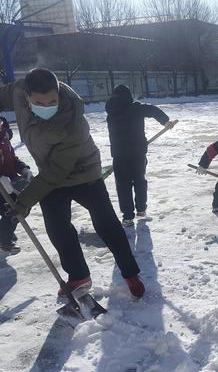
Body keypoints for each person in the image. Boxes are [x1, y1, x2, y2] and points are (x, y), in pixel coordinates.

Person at [0, 68, 145, 298]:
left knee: (106, 223)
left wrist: (23, 201)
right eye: (39, 102)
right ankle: (78, 276)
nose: (47, 107)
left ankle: (130, 273)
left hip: (83, 173)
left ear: (58, 93)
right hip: (50, 173)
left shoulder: (72, 123)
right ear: (27, 96)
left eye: (52, 102)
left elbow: (55, 174)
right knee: (57, 227)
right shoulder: (19, 91)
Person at [106, 84, 174, 226]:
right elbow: (152, 109)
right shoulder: (136, 108)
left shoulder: (110, 111)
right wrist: (165, 120)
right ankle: (141, 210)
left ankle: (127, 217)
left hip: (119, 154)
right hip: (137, 153)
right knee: (139, 181)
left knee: (123, 185)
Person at [0, 117, 32, 254]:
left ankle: (4, 233)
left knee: (19, 207)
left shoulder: (3, 131)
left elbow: (11, 158)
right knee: (13, 209)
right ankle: (4, 240)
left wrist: (23, 169)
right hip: (2, 183)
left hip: (9, 181)